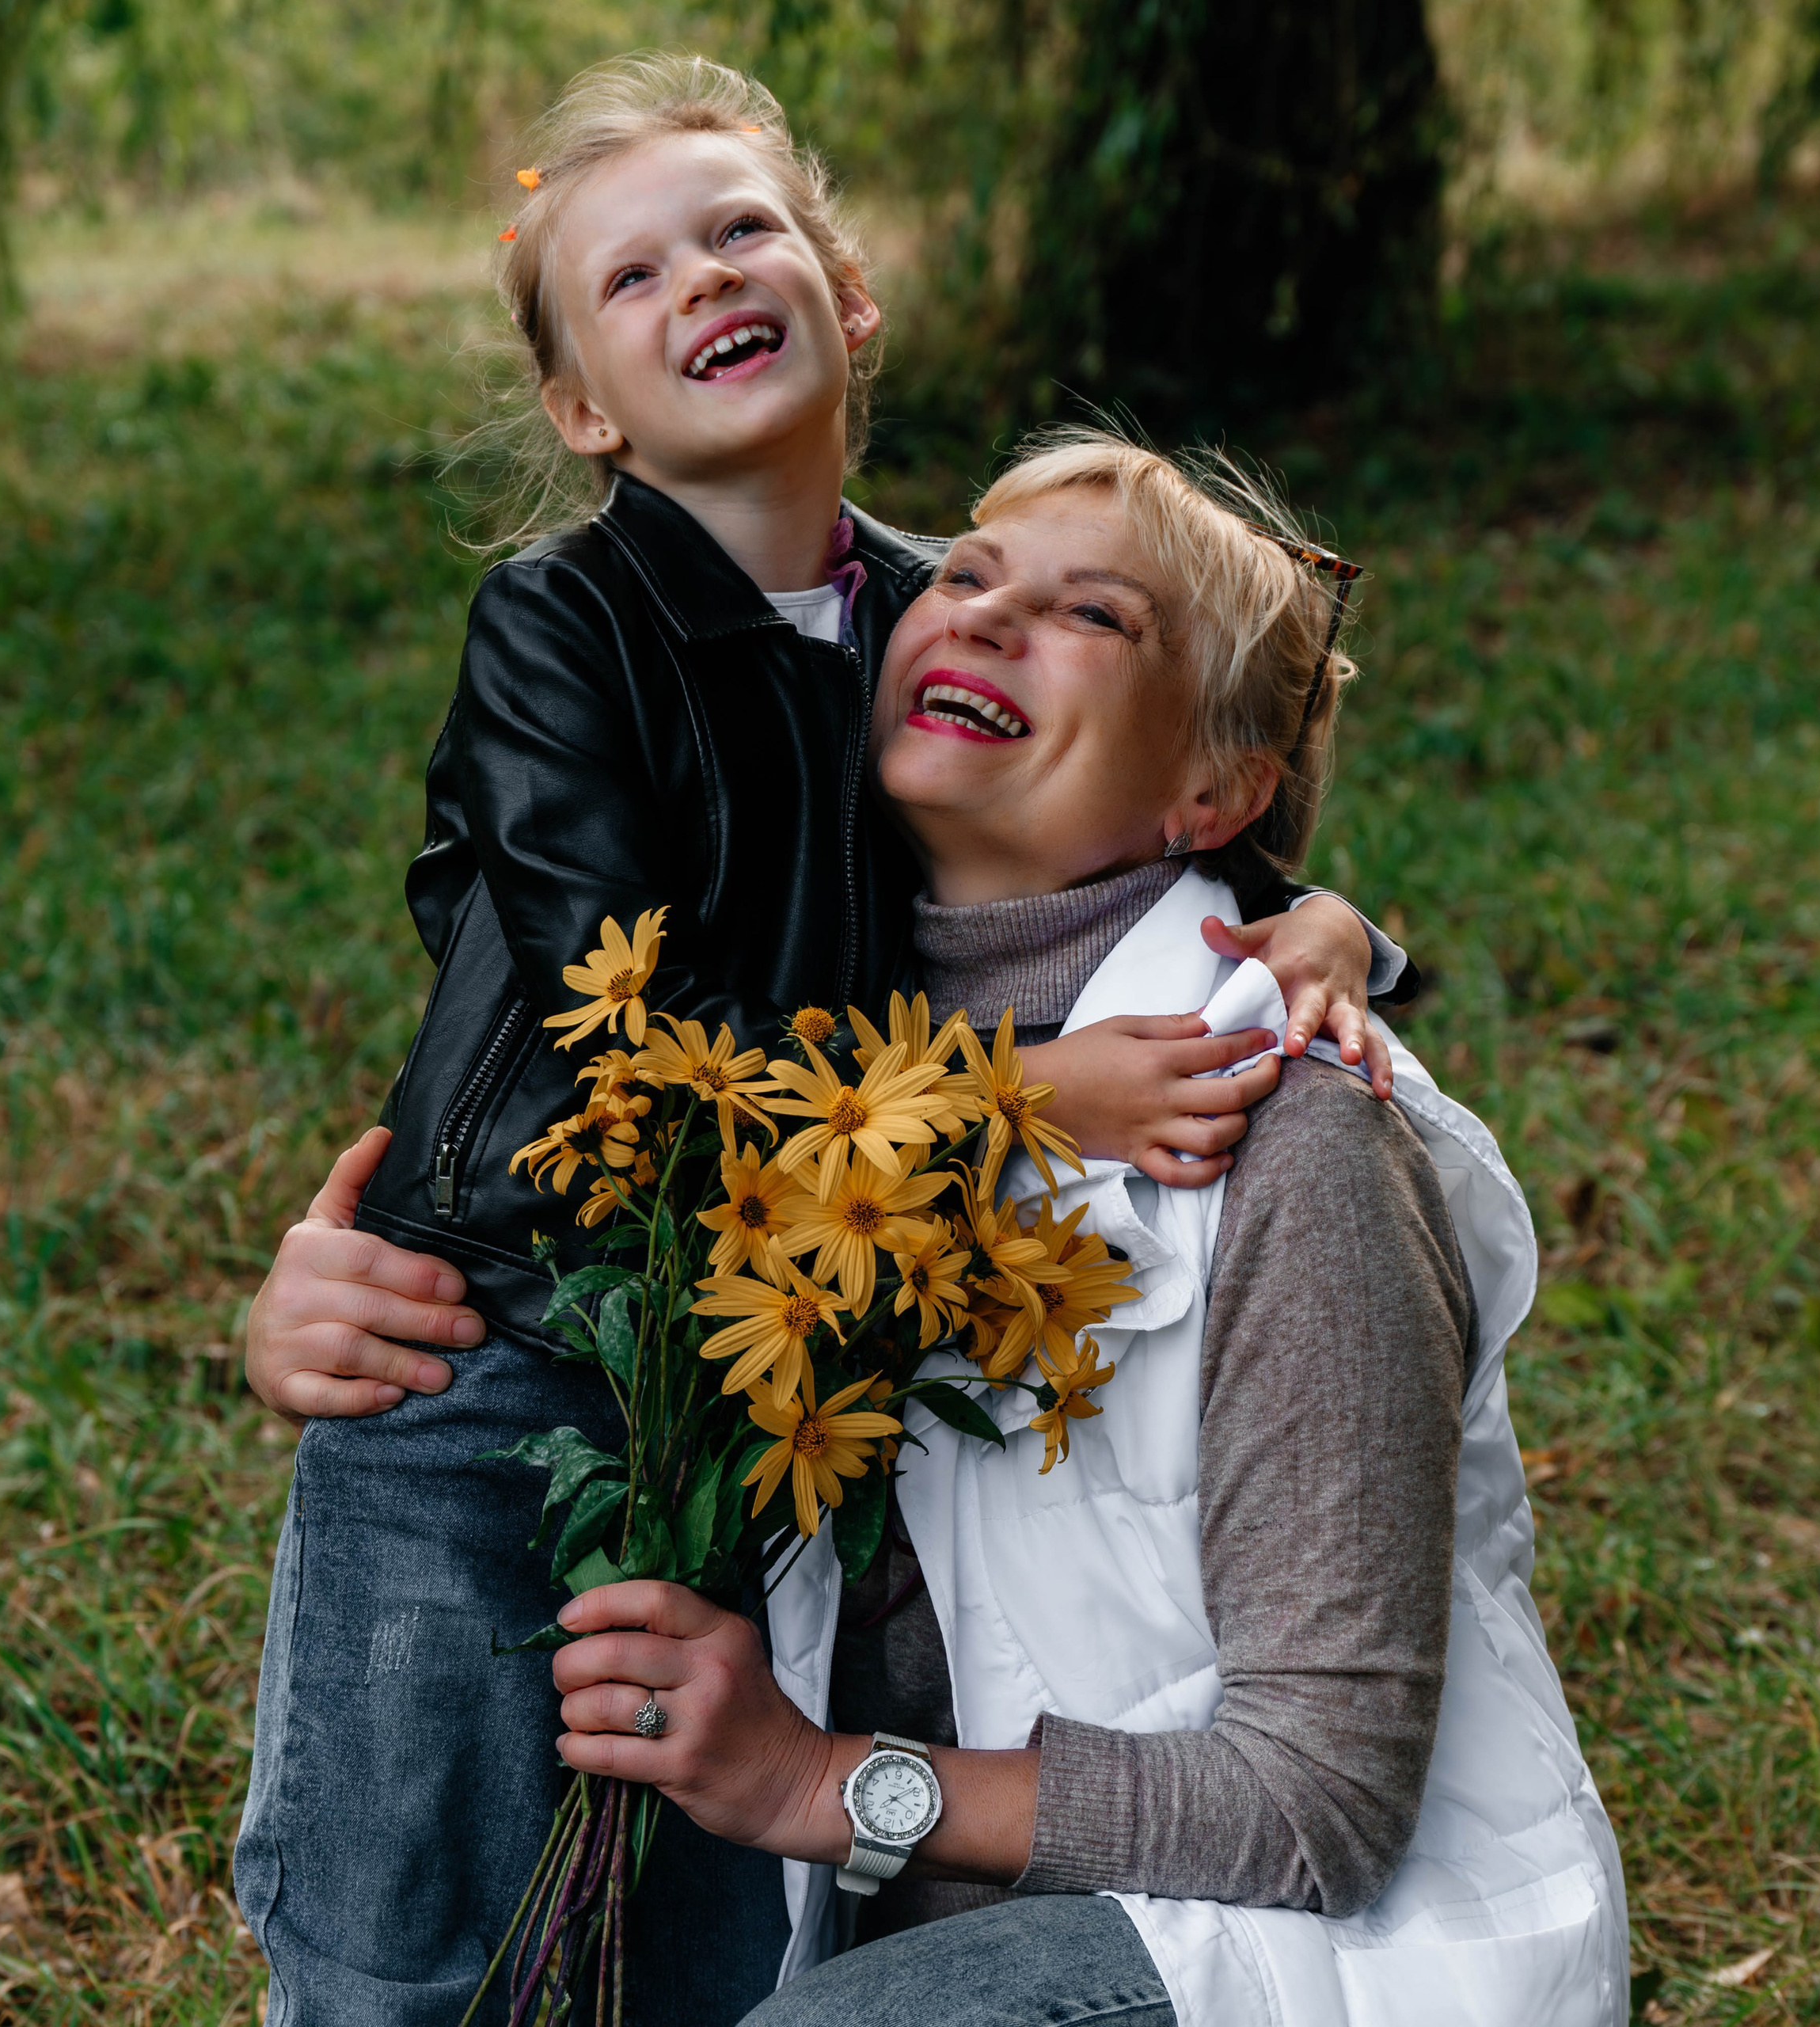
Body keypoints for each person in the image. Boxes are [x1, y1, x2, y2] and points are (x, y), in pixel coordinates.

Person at [231, 56, 1410, 2027]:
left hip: (759, 1366)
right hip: (504, 1330)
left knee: (692, 1913)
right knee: (403, 1914)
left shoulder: (937, 615)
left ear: (846, 299)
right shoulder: (562, 631)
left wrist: (1334, 924)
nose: (700, 276)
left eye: (739, 230)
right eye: (630, 277)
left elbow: (1176, 796)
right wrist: (1015, 1097)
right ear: (583, 409)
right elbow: (631, 1030)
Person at [545, 431, 1631, 2027]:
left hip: (1302, 1956)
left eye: (1092, 615)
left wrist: (819, 1781)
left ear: (1215, 791)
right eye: (964, 574)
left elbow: (1319, 1804)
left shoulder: (1293, 1134)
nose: (983, 614)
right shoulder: (815, 1074)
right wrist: (342, 1296)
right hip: (900, 1928)